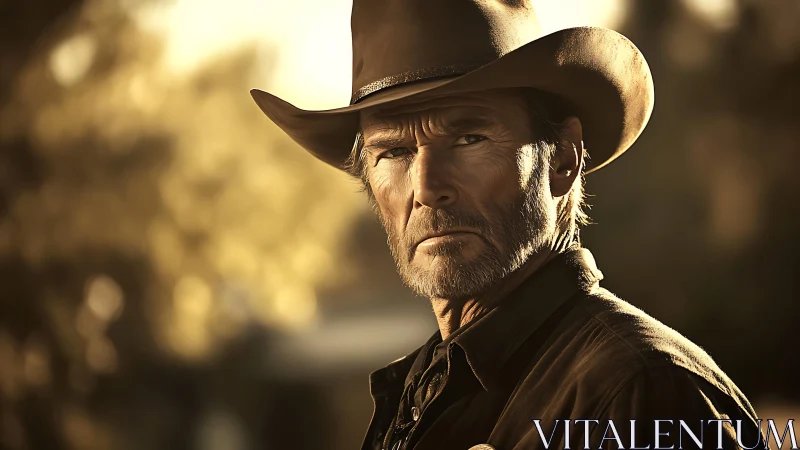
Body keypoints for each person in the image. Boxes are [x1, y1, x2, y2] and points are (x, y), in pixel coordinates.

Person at [251, 1, 762, 449]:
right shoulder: (420, 390)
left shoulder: (637, 388)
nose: (427, 187)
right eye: (394, 152)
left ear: (562, 159)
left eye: (469, 139)